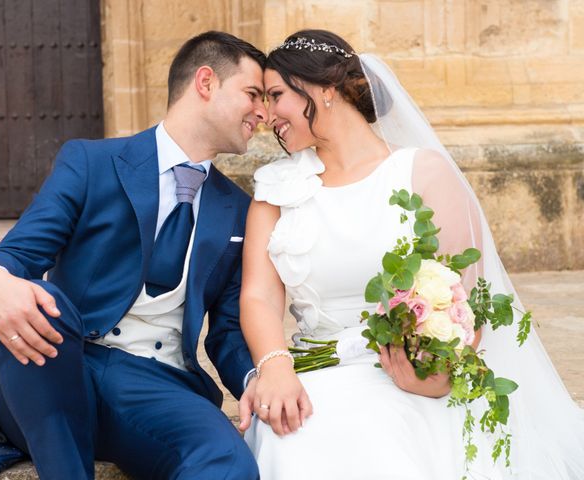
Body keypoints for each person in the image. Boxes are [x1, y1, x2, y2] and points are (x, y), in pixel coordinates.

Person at [238, 29, 584, 479]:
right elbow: (259, 297)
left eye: (276, 95)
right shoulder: (275, 189)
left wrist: (435, 373)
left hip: (411, 375)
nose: (266, 115)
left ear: (323, 89)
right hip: (313, 376)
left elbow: (468, 299)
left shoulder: (422, 172)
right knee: (301, 435)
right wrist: (274, 366)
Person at [0, 31, 266, 480]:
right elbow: (18, 252)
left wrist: (256, 379)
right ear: (206, 83)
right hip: (60, 367)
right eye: (253, 94)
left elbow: (227, 330)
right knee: (36, 297)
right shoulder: (91, 162)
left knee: (230, 462)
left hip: (159, 386)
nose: (263, 112)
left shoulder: (239, 210)